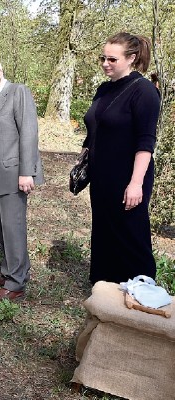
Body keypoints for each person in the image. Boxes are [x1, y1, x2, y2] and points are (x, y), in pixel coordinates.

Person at [82, 33, 160, 284]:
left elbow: (146, 142)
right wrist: (84, 159)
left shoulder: (144, 91)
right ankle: (105, 291)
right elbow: (95, 129)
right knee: (104, 234)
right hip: (102, 178)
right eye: (102, 58)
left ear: (131, 58)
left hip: (128, 178)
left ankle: (141, 296)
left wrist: (136, 183)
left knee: (131, 236)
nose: (105, 63)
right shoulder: (103, 89)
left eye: (112, 59)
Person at [0, 57, 44, 300]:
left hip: (13, 175)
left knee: (13, 229)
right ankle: (11, 271)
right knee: (4, 229)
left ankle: (15, 284)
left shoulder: (17, 92)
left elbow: (28, 133)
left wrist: (27, 172)